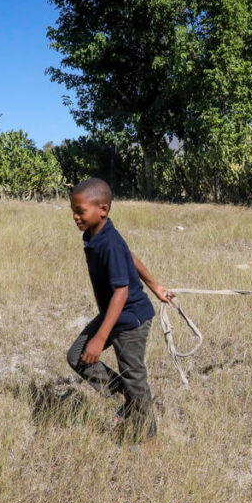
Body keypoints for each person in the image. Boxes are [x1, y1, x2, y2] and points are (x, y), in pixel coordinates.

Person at [66, 177, 172, 445]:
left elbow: (121, 292)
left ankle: (150, 440)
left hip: (131, 319)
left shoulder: (109, 242)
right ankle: (130, 398)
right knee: (77, 356)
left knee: (135, 377)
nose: (76, 217)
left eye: (80, 211)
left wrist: (100, 338)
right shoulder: (96, 234)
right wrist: (155, 285)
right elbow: (131, 256)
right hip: (114, 313)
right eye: (74, 212)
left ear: (103, 209)